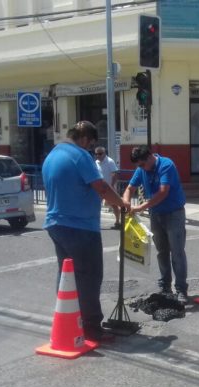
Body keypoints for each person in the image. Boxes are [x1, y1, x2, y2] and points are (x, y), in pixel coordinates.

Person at [42, 120, 130, 342]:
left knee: (67, 276)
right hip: (80, 226)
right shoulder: (80, 156)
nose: (91, 149)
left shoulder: (52, 155)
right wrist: (121, 204)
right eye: (91, 144)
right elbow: (100, 187)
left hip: (56, 224)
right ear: (85, 139)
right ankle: (91, 327)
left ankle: (68, 319)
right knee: (90, 277)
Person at [123, 145, 189, 304]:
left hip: (174, 213)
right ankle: (165, 286)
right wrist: (125, 202)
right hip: (156, 214)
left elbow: (163, 191)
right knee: (162, 252)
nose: (140, 169)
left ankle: (181, 289)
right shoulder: (142, 169)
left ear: (149, 157)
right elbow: (130, 187)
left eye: (141, 165)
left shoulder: (166, 165)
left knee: (177, 252)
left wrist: (140, 207)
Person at [95, 146, 121, 230]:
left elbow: (115, 174)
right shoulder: (96, 162)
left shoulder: (110, 161)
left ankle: (117, 221)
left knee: (114, 205)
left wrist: (112, 185)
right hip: (99, 187)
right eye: (96, 154)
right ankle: (96, 222)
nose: (98, 156)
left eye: (100, 154)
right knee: (96, 205)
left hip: (109, 187)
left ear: (104, 153)